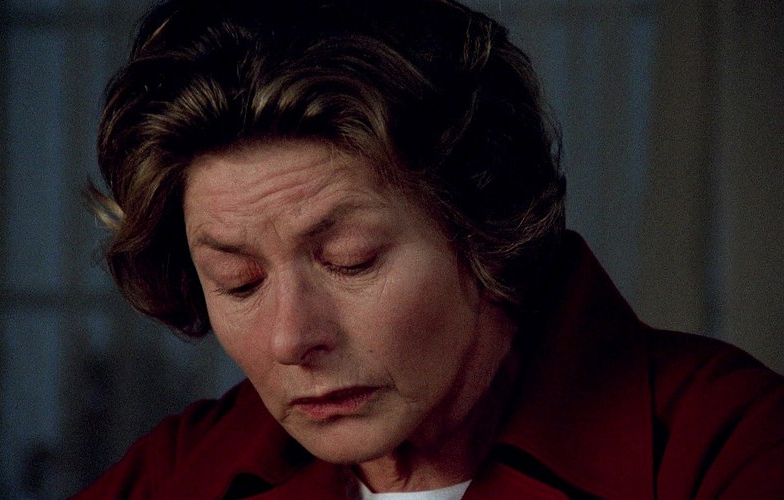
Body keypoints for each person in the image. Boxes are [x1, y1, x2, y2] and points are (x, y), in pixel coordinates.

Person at [77, 0, 784, 498]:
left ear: (485, 231)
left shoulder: (729, 442)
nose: (290, 339)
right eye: (238, 281)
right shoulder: (183, 470)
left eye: (350, 260)